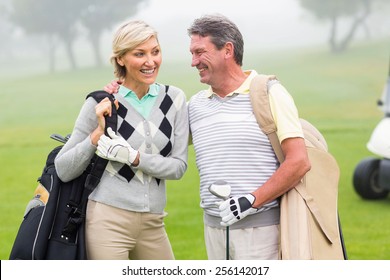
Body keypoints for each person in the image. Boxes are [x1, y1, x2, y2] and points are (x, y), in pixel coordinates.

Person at [104, 14, 311, 260]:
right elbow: (153, 139)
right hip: (214, 227)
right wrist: (123, 92)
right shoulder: (195, 106)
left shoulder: (269, 93)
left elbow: (299, 161)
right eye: (192, 53)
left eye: (200, 52)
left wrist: (251, 200)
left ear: (227, 50)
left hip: (261, 229)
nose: (194, 62)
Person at [54, 20, 189, 260]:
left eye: (155, 52)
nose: (151, 61)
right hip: (107, 221)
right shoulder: (100, 102)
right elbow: (63, 169)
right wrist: (96, 136)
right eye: (140, 54)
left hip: (154, 223)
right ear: (120, 59)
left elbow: (178, 167)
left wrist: (134, 158)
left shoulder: (175, 99)